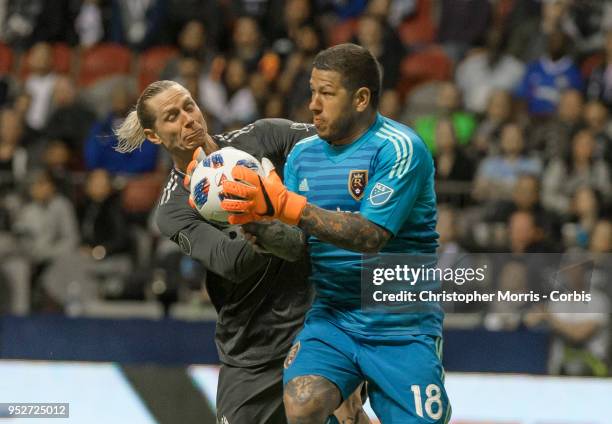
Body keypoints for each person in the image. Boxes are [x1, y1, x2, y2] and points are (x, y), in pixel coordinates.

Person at [114, 80, 368, 424]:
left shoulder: (264, 137)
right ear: (155, 135)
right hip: (252, 345)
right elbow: (231, 262)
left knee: (343, 412)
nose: (188, 119)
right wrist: (268, 214)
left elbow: (344, 143)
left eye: (189, 106)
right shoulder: (173, 209)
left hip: (318, 316)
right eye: (172, 116)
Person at [222, 43, 450, 423]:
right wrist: (259, 225)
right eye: (312, 91)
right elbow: (298, 245)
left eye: (326, 93)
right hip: (334, 319)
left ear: (361, 98)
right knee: (303, 402)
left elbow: (370, 236)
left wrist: (289, 208)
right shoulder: (302, 155)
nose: (313, 104)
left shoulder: (400, 149)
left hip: (401, 324)